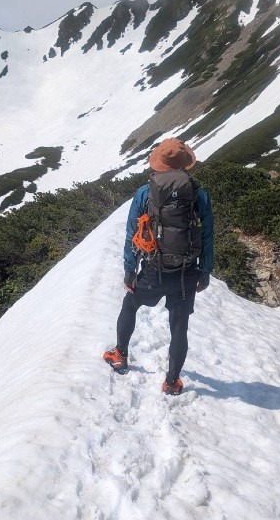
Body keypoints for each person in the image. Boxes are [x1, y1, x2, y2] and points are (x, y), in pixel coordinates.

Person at [103, 137, 214, 395]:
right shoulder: (200, 195)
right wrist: (205, 271)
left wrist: (130, 270)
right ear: (186, 164)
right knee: (179, 326)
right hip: (187, 272)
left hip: (154, 269)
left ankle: (120, 354)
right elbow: (207, 236)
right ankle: (172, 381)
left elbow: (133, 233)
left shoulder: (146, 193)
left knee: (130, 305)